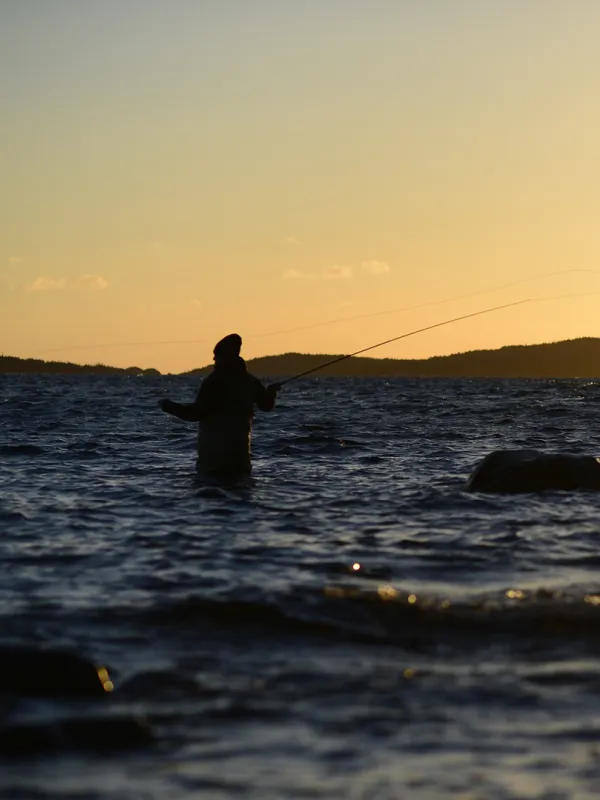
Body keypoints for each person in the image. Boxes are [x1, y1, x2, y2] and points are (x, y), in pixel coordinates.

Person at [158, 333, 280, 475]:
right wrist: (271, 393)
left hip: (213, 464)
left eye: (217, 355)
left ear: (225, 357)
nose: (214, 358)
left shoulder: (214, 382)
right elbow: (266, 406)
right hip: (240, 463)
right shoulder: (250, 382)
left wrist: (168, 406)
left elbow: (195, 414)